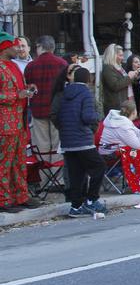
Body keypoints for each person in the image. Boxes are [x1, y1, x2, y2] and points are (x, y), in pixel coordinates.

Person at [0, 31, 41, 212]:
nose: (18, 48)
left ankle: (20, 195)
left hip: (20, 122)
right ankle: (3, 199)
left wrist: (28, 89)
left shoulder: (14, 66)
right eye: (14, 45)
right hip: (4, 124)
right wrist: (18, 95)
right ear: (4, 47)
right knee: (4, 162)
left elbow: (20, 89)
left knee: (19, 161)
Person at [56, 67, 104, 218]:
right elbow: (87, 117)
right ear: (88, 80)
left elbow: (58, 115)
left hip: (67, 140)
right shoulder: (85, 93)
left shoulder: (64, 93)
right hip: (82, 139)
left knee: (76, 174)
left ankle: (75, 206)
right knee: (99, 166)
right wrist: (97, 116)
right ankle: (92, 199)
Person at [24, 35, 67, 188]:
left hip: (38, 110)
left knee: (41, 146)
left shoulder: (31, 66)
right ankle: (57, 178)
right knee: (57, 145)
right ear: (52, 47)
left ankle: (44, 180)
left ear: (39, 47)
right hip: (57, 111)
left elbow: (28, 86)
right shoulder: (62, 64)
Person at [100, 43, 136, 115]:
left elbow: (125, 82)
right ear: (112, 56)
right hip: (115, 106)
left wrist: (134, 77)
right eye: (120, 55)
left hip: (124, 103)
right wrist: (129, 77)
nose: (122, 58)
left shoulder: (119, 67)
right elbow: (115, 86)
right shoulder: (108, 68)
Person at [124, 54, 140, 118]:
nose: (139, 64)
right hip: (131, 106)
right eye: (136, 62)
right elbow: (135, 93)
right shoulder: (129, 75)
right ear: (130, 64)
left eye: (139, 62)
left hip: (139, 104)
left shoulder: (139, 75)